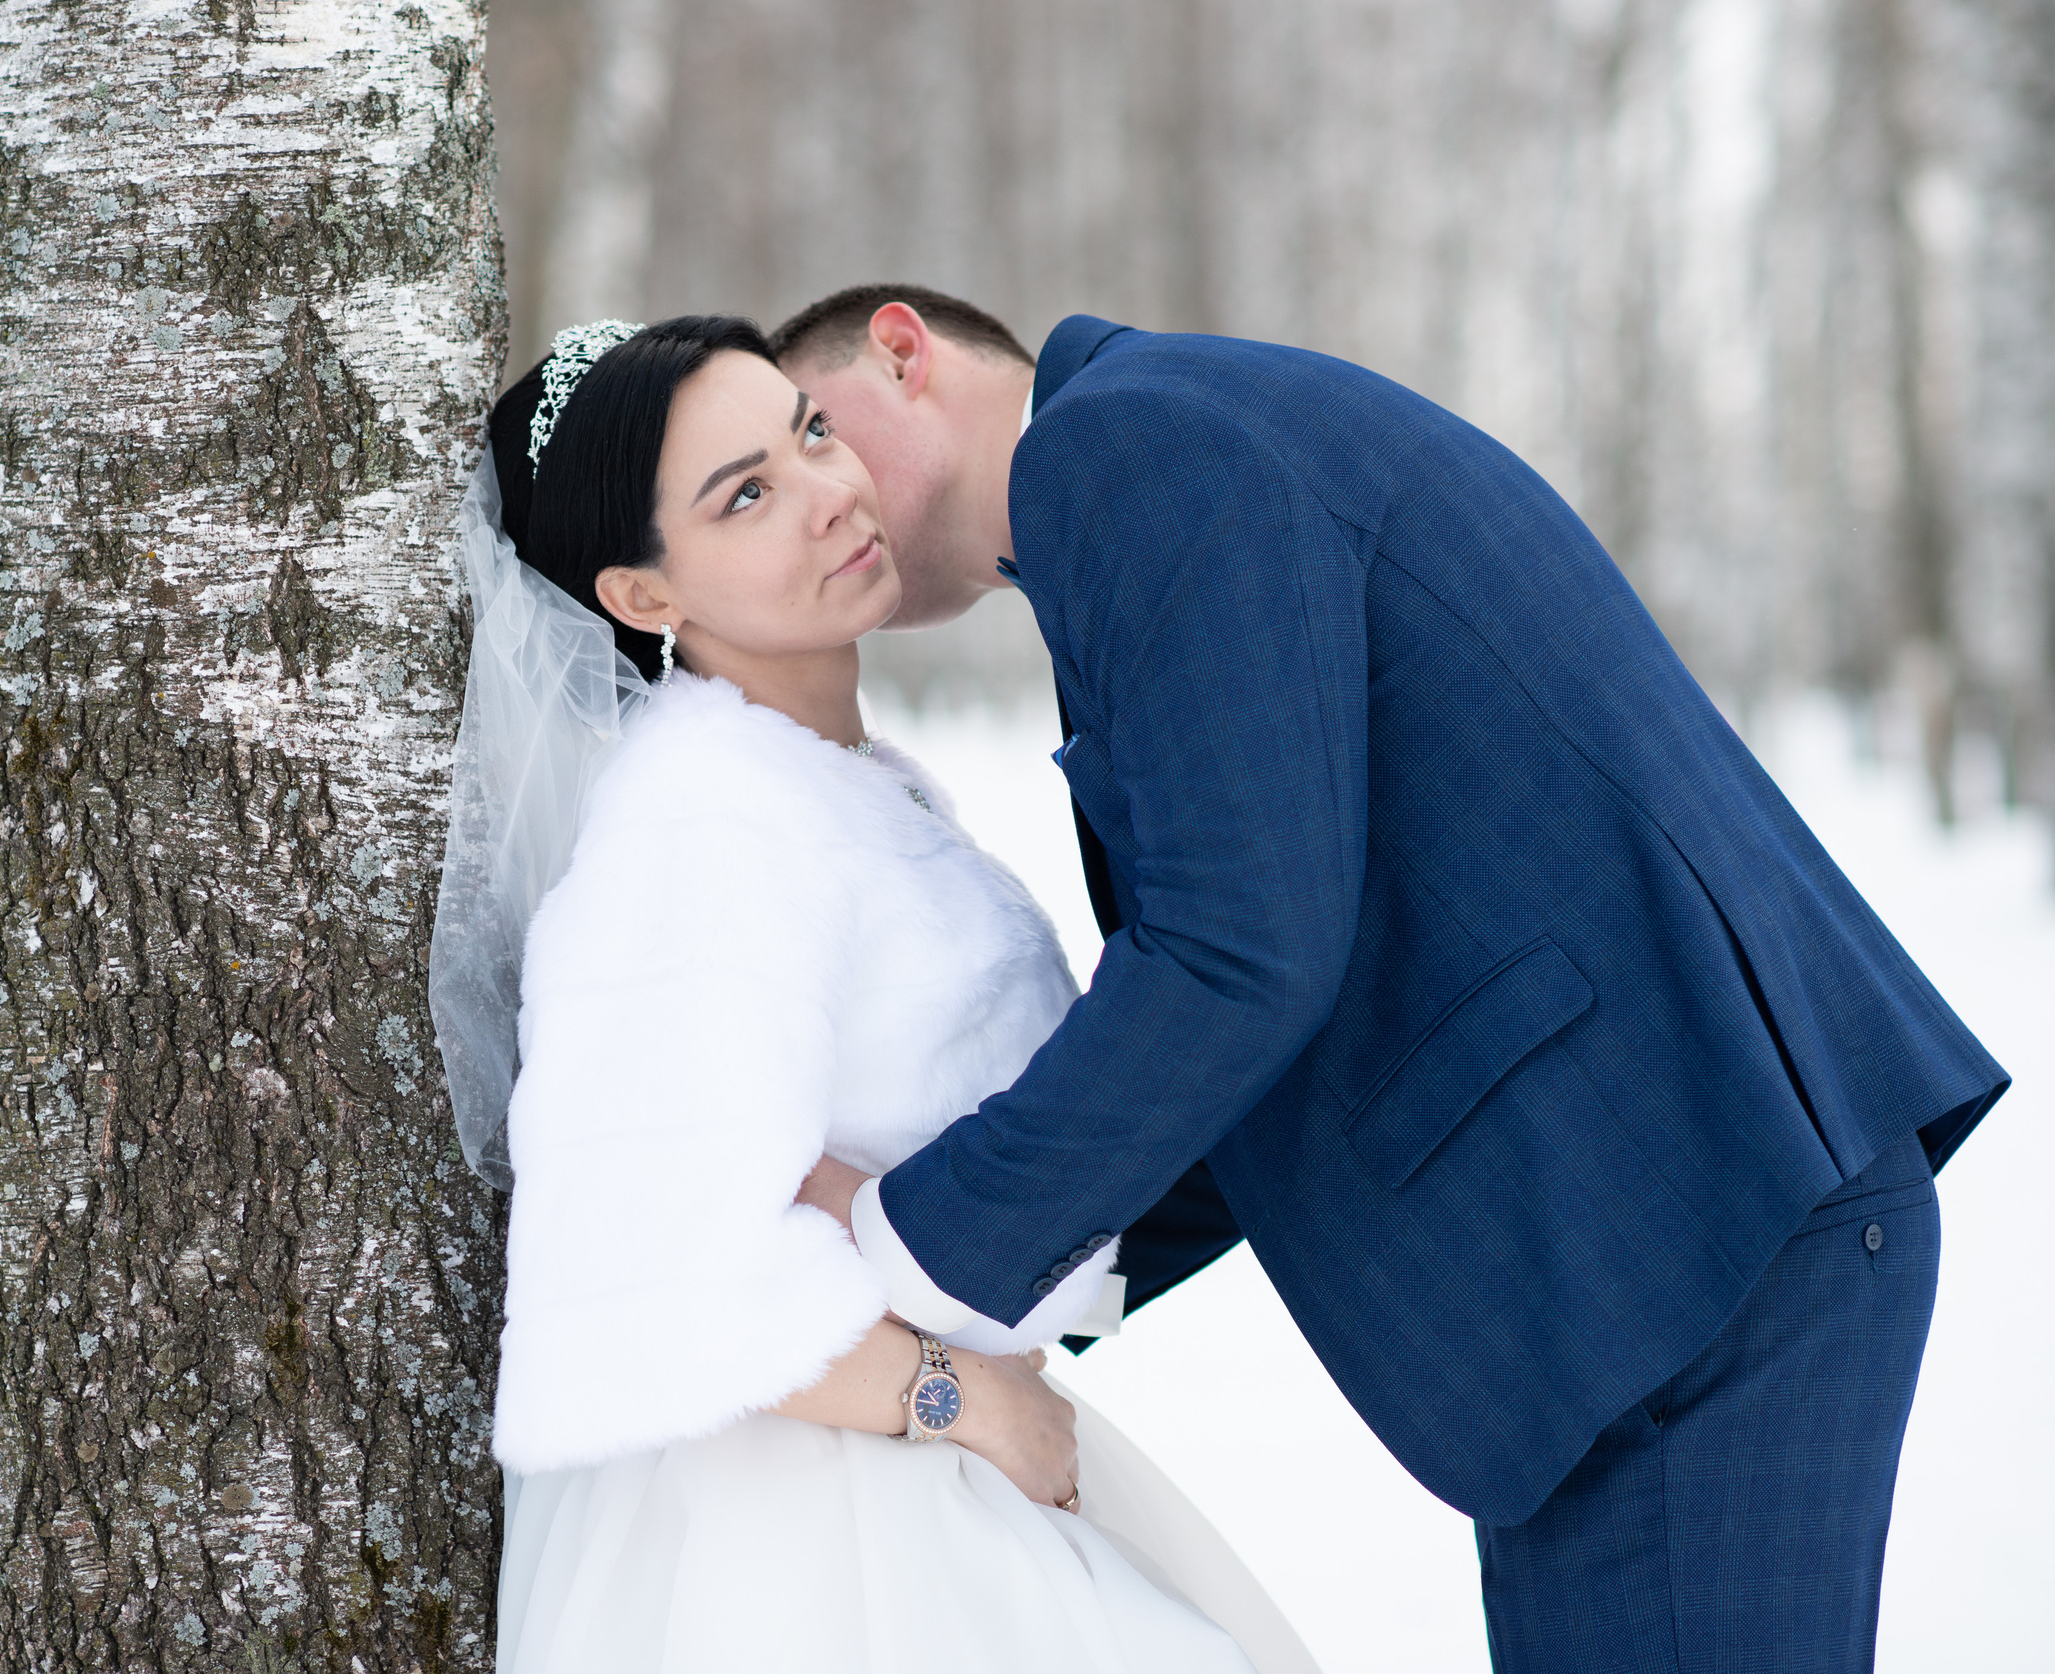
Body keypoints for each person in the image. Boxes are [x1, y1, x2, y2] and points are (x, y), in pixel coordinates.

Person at [771, 285, 2011, 1673]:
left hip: (1677, 1238)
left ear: (903, 346)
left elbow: (1241, 956)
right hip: (1635, 1244)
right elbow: (1269, 993)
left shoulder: (1126, 449)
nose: (819, 489)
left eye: (818, 425)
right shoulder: (1167, 448)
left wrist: (905, 1249)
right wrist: (1045, 1275)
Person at [431, 316, 1316, 1672]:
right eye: (747, 494)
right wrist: (961, 1398)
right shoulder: (701, 824)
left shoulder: (832, 781)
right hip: (808, 1536)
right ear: (646, 596)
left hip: (909, 1475)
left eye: (809, 430)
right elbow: (656, 1267)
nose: (827, 491)